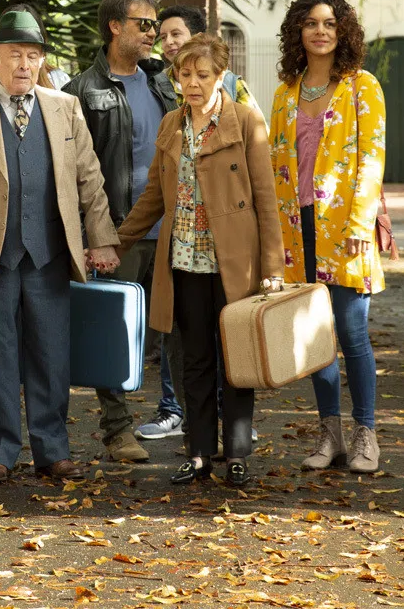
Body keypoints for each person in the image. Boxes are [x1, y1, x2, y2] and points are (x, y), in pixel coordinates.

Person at [0, 9, 121, 484]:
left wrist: (101, 239)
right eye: (15, 54)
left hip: (49, 252)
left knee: (51, 354)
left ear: (41, 61)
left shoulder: (65, 107)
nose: (24, 64)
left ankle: (52, 449)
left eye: (33, 56)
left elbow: (90, 178)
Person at [116, 33, 283, 488]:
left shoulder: (245, 121)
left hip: (235, 263)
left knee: (237, 360)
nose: (192, 83)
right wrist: (118, 242)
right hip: (185, 261)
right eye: (184, 74)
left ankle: (237, 454)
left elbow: (266, 201)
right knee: (195, 361)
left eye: (202, 75)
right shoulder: (172, 124)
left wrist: (273, 269)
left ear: (221, 76)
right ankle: (198, 454)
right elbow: (153, 197)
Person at [268, 0, 386, 474]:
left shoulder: (362, 86)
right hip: (297, 231)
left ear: (343, 32)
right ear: (298, 31)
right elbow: (274, 165)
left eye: (330, 24)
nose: (321, 31)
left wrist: (360, 223)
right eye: (311, 23)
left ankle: (366, 434)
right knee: (315, 338)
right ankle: (330, 434)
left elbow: (372, 158)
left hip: (345, 227)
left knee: (352, 334)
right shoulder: (285, 93)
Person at [62, 0, 181, 462]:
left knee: (177, 332)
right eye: (144, 24)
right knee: (113, 333)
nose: (154, 33)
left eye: (155, 24)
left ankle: (191, 421)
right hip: (115, 234)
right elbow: (71, 173)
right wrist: (91, 237)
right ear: (115, 27)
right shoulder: (81, 91)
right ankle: (118, 431)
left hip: (172, 231)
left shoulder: (164, 84)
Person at [157, 5, 265, 119]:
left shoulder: (229, 83)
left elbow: (256, 124)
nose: (168, 42)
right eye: (163, 37)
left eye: (175, 34)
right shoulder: (156, 84)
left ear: (197, 37)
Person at [0, 4, 70, 93]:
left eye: (32, 56)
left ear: (42, 55)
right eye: (15, 55)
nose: (24, 66)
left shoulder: (58, 79)